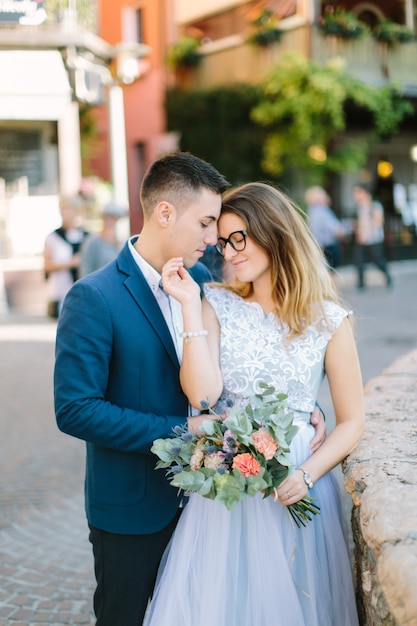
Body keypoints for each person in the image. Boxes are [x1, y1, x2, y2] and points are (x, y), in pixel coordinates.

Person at [54, 153, 326, 626]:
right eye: (205, 223)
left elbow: (242, 364)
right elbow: (76, 409)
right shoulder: (94, 297)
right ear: (164, 213)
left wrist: (304, 406)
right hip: (134, 511)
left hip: (212, 510)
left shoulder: (206, 285)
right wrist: (186, 428)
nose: (213, 240)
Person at [145, 181, 365, 626]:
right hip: (228, 490)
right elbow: (203, 396)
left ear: (274, 231)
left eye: (238, 238)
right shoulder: (218, 303)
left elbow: (353, 421)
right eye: (223, 242)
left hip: (300, 482)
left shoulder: (329, 320)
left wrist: (306, 475)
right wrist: (189, 306)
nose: (228, 253)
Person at [43, 194, 89, 318]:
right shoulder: (53, 238)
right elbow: (46, 266)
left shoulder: (87, 237)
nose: (65, 214)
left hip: (83, 293)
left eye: (69, 210)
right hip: (61, 294)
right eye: (63, 210)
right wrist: (70, 263)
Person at [352, 182, 392, 290]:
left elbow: (377, 221)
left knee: (378, 261)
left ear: (364, 193)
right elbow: (358, 222)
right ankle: (361, 284)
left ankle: (388, 278)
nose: (355, 195)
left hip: (374, 239)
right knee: (359, 262)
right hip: (361, 239)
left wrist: (366, 233)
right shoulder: (359, 207)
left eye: (357, 192)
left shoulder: (375, 206)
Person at [80, 201, 127, 276]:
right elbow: (85, 269)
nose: (109, 221)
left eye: (113, 218)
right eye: (107, 217)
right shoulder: (92, 242)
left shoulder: (120, 242)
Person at [305, 185, 345, 274]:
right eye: (324, 194)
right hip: (329, 247)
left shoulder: (311, 211)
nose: (327, 196)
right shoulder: (323, 210)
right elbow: (337, 230)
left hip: (318, 247)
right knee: (332, 274)